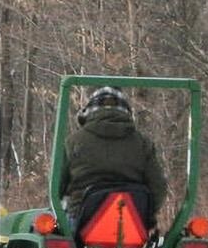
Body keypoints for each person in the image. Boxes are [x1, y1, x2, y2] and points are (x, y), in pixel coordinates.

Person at [57, 86, 168, 237]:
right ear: (126, 111)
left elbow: (58, 185)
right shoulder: (142, 143)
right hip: (133, 219)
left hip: (83, 218)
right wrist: (147, 214)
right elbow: (158, 187)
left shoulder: (74, 141)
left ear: (90, 110)